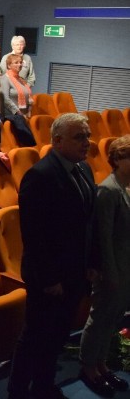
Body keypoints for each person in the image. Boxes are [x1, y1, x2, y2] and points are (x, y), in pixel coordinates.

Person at [8, 113, 96, 399]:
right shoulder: (40, 176)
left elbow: (87, 223)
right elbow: (34, 235)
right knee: (34, 338)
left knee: (57, 336)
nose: (87, 142)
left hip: (74, 274)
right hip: (49, 279)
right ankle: (18, 391)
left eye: (88, 135)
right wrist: (49, 278)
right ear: (57, 141)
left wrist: (90, 264)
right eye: (79, 137)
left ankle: (44, 386)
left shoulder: (84, 170)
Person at [79, 135, 130, 396]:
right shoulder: (109, 190)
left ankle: (101, 364)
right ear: (119, 159)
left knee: (113, 318)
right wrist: (110, 273)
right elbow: (103, 237)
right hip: (113, 268)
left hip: (125, 265)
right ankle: (88, 367)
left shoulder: (126, 187)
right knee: (99, 318)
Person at [0, 53, 34, 121]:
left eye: (21, 62)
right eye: (16, 63)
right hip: (12, 117)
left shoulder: (21, 80)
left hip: (25, 116)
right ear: (9, 65)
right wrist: (19, 113)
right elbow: (6, 99)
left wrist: (28, 113)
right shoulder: (5, 78)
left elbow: (29, 98)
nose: (19, 64)